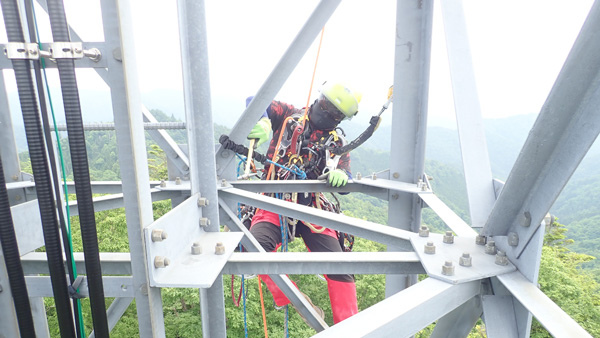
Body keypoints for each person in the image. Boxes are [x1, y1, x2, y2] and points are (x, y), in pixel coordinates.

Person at [246, 81, 361, 325]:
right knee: (255, 249)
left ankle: (350, 326)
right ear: (318, 100)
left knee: (340, 266)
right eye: (326, 105)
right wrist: (263, 120)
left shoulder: (336, 145)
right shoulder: (289, 116)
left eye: (335, 113)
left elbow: (346, 173)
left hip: (312, 208)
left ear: (340, 119)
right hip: (275, 201)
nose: (327, 113)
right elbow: (258, 100)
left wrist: (342, 176)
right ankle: (293, 298)